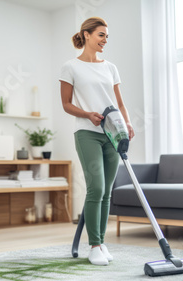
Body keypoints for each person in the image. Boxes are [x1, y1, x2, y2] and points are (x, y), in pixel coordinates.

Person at [59, 17, 135, 266]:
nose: (105, 40)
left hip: (112, 134)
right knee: (96, 188)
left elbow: (120, 103)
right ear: (87, 35)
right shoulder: (70, 67)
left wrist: (128, 124)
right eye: (101, 35)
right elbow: (67, 104)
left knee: (107, 193)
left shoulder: (110, 67)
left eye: (107, 36)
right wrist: (87, 114)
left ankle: (101, 243)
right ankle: (93, 247)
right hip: (87, 133)